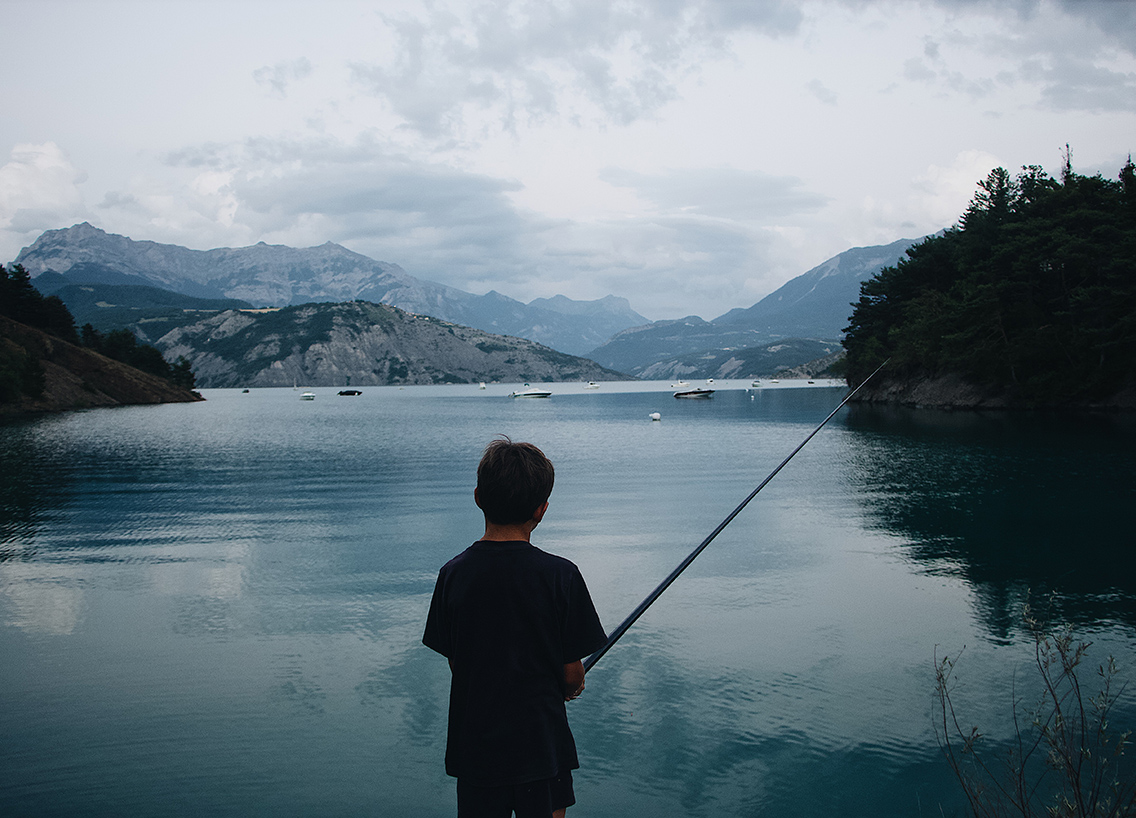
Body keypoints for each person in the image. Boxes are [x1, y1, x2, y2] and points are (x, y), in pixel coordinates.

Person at [423, 437, 607, 818]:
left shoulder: (452, 575)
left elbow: (458, 664)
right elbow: (571, 675)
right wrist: (573, 686)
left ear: (478, 497)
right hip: (541, 747)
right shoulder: (562, 576)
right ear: (541, 510)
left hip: (476, 749)